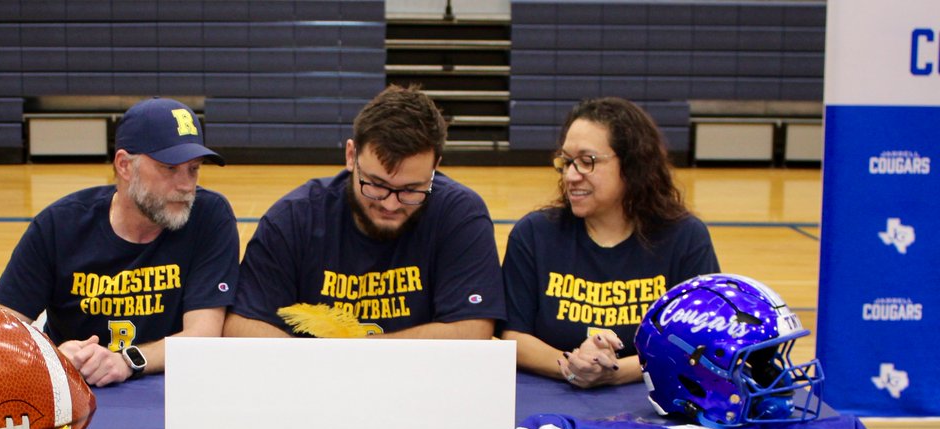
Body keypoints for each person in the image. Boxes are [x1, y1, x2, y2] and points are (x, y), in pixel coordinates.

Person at [0, 97, 239, 384]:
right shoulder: (59, 226)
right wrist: (51, 357)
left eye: (193, 169)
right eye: (169, 169)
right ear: (124, 165)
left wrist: (127, 361)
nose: (186, 185)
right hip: (75, 389)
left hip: (170, 386)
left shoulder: (208, 217)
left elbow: (203, 335)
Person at [223, 85, 504, 339]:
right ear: (350, 155)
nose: (391, 204)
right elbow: (241, 324)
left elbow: (473, 328)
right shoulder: (294, 218)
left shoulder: (460, 214)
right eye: (377, 185)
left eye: (411, 190)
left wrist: (360, 358)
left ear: (436, 166)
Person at [501, 97, 720, 387]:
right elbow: (512, 335)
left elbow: (700, 341)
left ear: (632, 165)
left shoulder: (685, 238)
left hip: (653, 402)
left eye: (587, 161)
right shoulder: (533, 235)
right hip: (551, 404)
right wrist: (571, 366)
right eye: (566, 162)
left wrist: (613, 371)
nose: (571, 175)